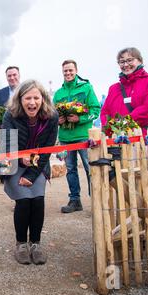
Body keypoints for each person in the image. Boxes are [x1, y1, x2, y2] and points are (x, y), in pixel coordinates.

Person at [1, 80, 58, 265]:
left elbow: (47, 149)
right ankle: (21, 244)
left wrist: (32, 175)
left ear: (43, 99)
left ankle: (36, 244)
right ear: (20, 99)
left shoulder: (52, 117)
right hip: (13, 163)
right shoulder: (10, 115)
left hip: (38, 164)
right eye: (28, 98)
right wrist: (20, 157)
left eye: (36, 97)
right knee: (24, 201)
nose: (32, 102)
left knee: (38, 200)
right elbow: (7, 144)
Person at [53, 60, 101, 214]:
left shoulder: (86, 88)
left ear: (76, 70)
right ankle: (75, 201)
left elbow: (96, 109)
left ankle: (96, 202)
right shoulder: (58, 93)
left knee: (90, 168)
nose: (68, 73)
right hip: (66, 137)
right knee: (71, 170)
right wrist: (57, 120)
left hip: (83, 137)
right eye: (65, 71)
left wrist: (80, 119)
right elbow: (52, 114)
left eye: (70, 70)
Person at [101, 47, 148, 136]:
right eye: (122, 62)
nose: (125, 64)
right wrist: (110, 128)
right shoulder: (113, 88)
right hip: (118, 140)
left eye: (130, 60)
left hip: (143, 138)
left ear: (140, 61)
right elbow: (105, 112)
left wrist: (124, 122)